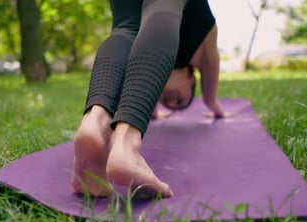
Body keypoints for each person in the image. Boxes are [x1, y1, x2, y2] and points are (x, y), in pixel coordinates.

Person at [71, 0, 226, 199]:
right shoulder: (202, 46)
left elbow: (140, 85)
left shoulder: (148, 68)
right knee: (164, 5)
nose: (171, 101)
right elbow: (211, 87)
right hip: (175, 31)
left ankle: (96, 121)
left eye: (164, 100)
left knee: (125, 28)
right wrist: (214, 105)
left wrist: (153, 108)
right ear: (191, 78)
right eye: (180, 101)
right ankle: (126, 148)